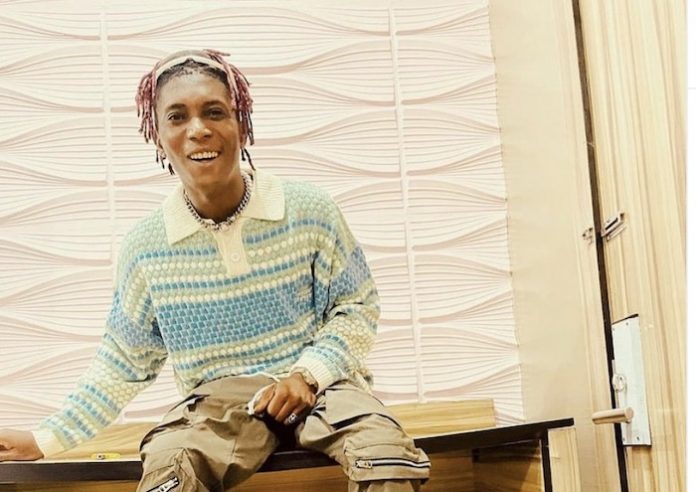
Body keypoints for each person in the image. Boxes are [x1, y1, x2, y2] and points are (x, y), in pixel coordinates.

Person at [0, 49, 430, 492]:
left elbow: (356, 307)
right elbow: (122, 363)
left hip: (324, 388)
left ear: (241, 123)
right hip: (215, 406)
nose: (198, 129)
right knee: (170, 472)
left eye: (214, 112)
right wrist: (44, 439)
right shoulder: (147, 247)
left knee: (388, 456)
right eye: (177, 117)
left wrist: (308, 374)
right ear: (158, 136)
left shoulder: (309, 209)